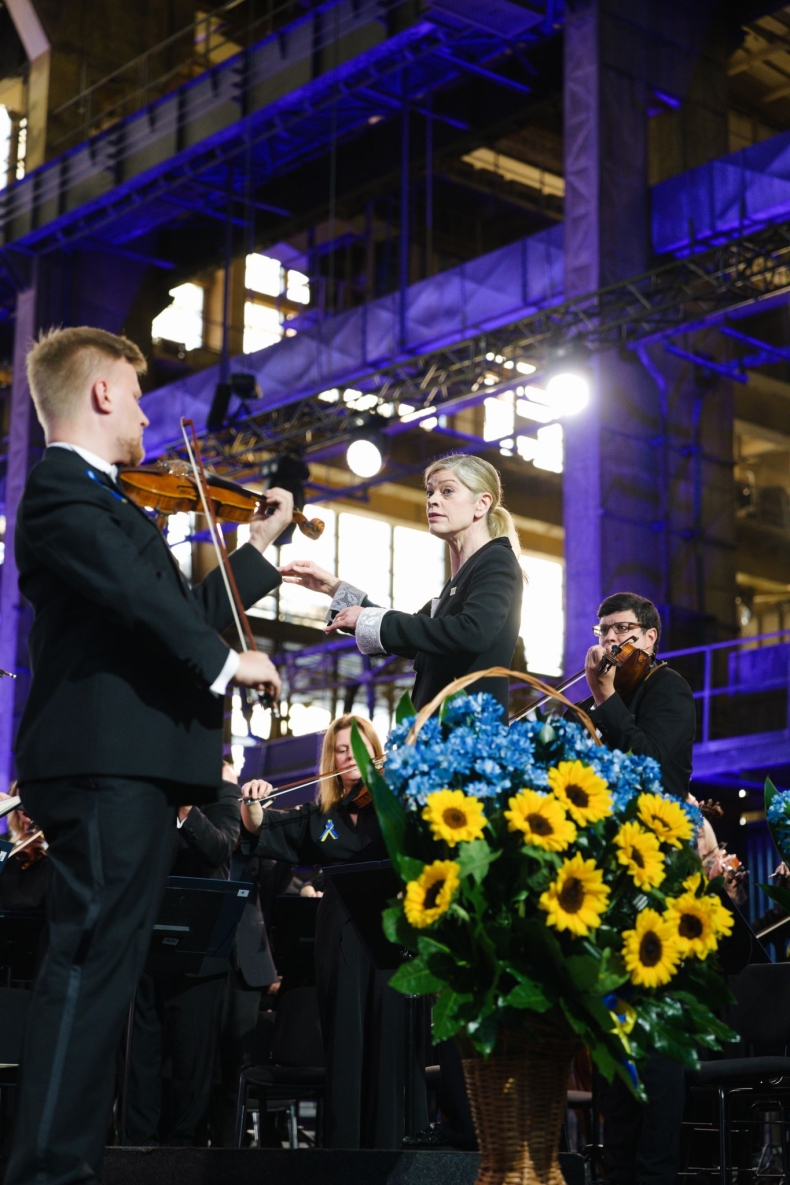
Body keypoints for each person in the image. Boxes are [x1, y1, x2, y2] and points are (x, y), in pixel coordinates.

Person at [7, 326, 290, 1185]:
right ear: (100, 392)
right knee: (91, 964)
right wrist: (226, 661)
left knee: (103, 968)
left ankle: (63, 1164)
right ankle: (48, 1171)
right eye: (135, 395)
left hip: (128, 765)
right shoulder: (61, 491)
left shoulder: (105, 502)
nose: (143, 414)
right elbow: (143, 601)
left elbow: (179, 612)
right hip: (103, 763)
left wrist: (257, 551)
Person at [240, 715, 428, 1149]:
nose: (349, 757)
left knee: (391, 1046)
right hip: (340, 939)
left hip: (393, 939)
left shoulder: (399, 804)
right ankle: (345, 1157)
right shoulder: (320, 815)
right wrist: (252, 801)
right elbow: (259, 827)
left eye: (359, 748)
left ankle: (394, 1153)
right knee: (345, 1047)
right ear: (332, 760)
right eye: (341, 750)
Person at [580, 592, 696, 1185]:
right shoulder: (604, 700)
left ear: (650, 637)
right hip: (609, 880)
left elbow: (649, 767)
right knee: (612, 1034)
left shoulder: (668, 689)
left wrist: (605, 701)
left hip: (659, 877)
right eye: (604, 630)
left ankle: (654, 1174)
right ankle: (617, 1168)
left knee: (653, 1037)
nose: (611, 640)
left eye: (623, 629)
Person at [280, 454, 524, 712]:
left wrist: (368, 618)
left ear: (481, 504)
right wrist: (335, 588)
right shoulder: (462, 576)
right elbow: (414, 637)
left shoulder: (496, 559)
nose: (432, 500)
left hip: (469, 728)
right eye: (430, 492)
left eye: (447, 491)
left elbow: (472, 633)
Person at [122, 765, 242, 1146]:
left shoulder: (223, 790)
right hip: (144, 946)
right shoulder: (148, 791)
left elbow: (219, 848)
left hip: (197, 952)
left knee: (191, 1066)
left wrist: (186, 808)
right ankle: (135, 1152)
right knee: (139, 1063)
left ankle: (184, 1156)